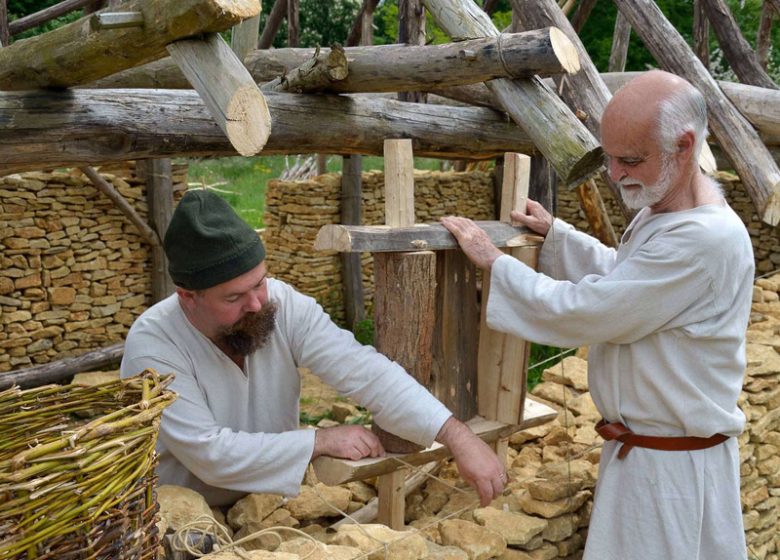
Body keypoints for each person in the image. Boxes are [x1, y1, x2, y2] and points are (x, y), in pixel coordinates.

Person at [440, 70, 753, 560]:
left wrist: (495, 263)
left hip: (671, 478)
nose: (614, 173)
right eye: (609, 156)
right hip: (646, 461)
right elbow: (630, 282)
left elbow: (594, 309)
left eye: (631, 160)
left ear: (685, 146)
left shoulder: (705, 239)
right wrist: (557, 237)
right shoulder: (665, 215)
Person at [121, 189, 506, 508]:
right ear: (188, 296)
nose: (256, 303)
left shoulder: (283, 305)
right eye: (234, 297)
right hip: (180, 518)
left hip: (266, 507)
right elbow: (209, 454)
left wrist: (458, 437)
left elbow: (364, 370)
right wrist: (319, 441)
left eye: (260, 282)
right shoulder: (153, 346)